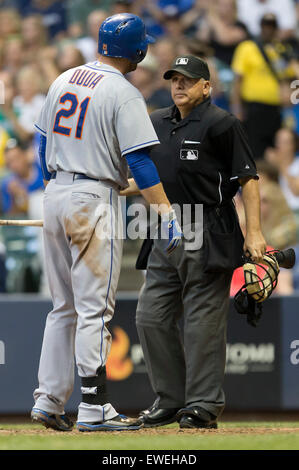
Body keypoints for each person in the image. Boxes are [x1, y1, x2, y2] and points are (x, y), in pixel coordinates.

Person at [31, 13, 182, 433]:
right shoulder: (123, 91)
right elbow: (138, 161)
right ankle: (95, 408)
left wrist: (57, 183)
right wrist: (167, 214)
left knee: (63, 307)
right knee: (94, 308)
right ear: (138, 49)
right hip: (92, 197)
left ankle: (48, 399)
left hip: (56, 193)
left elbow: (41, 139)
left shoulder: (64, 78)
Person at [122, 54, 266, 429]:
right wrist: (120, 188)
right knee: (150, 317)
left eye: (187, 79)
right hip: (164, 228)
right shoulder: (154, 122)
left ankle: (202, 403)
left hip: (209, 228)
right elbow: (150, 176)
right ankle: (170, 400)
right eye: (174, 79)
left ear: (207, 86)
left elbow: (248, 179)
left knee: (202, 323)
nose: (179, 85)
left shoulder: (222, 124)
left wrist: (255, 232)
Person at [231, 13, 296, 159]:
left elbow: (292, 77)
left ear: (275, 28)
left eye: (271, 26)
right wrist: (237, 109)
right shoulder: (247, 47)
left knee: (278, 149)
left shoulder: (282, 50)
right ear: (260, 27)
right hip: (255, 108)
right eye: (265, 26)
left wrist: (292, 96)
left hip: (278, 109)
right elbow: (238, 80)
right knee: (255, 149)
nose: (268, 29)